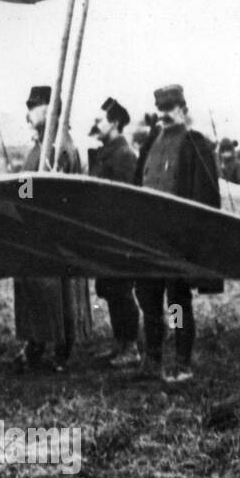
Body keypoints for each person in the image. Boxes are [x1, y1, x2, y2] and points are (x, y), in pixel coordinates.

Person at [134, 84, 221, 384]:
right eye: (160, 111)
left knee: (177, 304)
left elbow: (207, 198)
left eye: (170, 110)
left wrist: (194, 243)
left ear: (183, 109)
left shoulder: (195, 144)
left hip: (178, 243)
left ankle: (182, 362)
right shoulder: (150, 143)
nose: (164, 116)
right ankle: (152, 359)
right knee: (148, 300)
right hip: (149, 238)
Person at [10, 85, 91, 373]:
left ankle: (57, 350)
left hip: (51, 235)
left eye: (34, 106)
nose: (29, 113)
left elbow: (61, 193)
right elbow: (28, 187)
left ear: (49, 108)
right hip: (34, 231)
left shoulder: (58, 148)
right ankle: (37, 344)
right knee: (37, 290)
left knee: (55, 291)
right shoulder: (42, 146)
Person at [88, 96, 141, 368]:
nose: (95, 124)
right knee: (109, 289)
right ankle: (119, 343)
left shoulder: (123, 156)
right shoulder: (107, 153)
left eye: (100, 120)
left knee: (120, 290)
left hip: (119, 238)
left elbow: (127, 201)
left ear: (115, 123)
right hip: (104, 234)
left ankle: (130, 347)